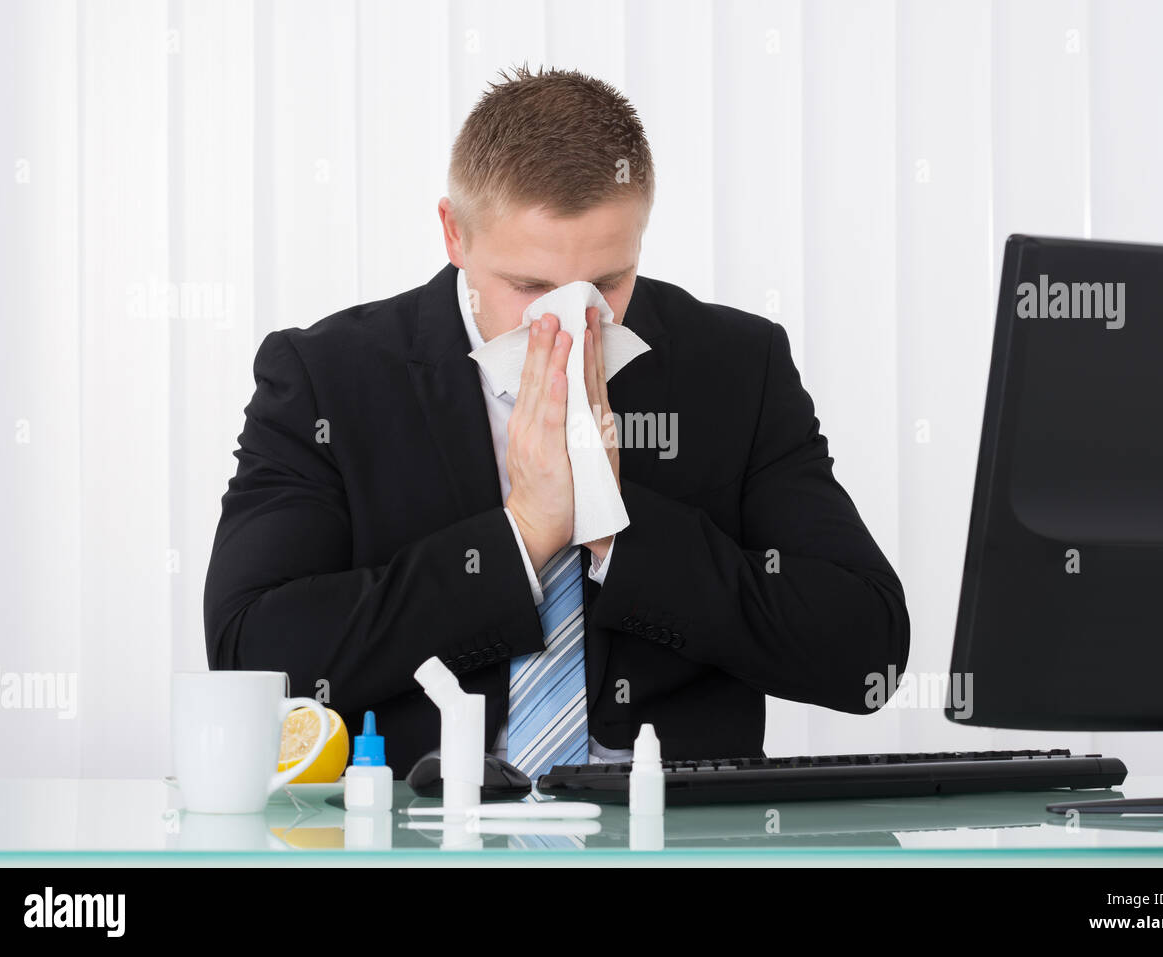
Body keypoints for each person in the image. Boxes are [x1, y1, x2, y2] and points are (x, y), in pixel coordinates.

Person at [203, 64, 910, 780]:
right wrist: (521, 537)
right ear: (454, 234)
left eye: (607, 282)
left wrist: (610, 524)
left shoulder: (737, 367)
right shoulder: (328, 378)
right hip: (420, 836)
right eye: (530, 287)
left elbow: (867, 655)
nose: (573, 320)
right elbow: (250, 656)